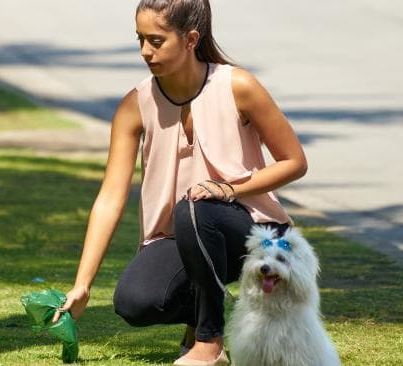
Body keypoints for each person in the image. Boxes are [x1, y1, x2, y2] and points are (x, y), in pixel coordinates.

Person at [53, 0, 307, 365]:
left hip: (254, 231)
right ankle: (205, 309)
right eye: (140, 39)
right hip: (180, 234)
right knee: (135, 302)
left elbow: (294, 161)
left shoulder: (238, 85)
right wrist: (82, 286)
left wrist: (230, 189)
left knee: (193, 207)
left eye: (156, 41)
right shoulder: (134, 105)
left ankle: (209, 343)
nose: (145, 51)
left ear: (190, 39)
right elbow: (110, 198)